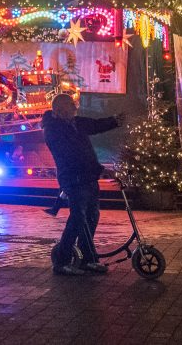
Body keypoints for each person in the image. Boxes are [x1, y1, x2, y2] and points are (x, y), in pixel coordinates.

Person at [42, 93, 122, 276]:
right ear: (60, 109)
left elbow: (94, 125)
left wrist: (114, 121)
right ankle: (62, 261)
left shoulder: (74, 123)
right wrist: (99, 168)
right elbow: (74, 154)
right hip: (73, 178)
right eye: (71, 105)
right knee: (78, 217)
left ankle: (88, 258)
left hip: (87, 177)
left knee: (92, 216)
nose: (75, 107)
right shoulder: (55, 130)